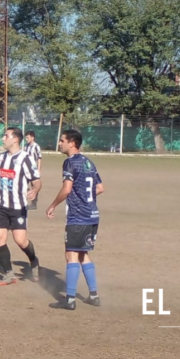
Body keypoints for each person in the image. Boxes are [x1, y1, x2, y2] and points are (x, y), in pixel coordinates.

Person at [46, 129, 104, 310]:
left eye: (62, 140)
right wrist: (85, 198)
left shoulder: (70, 162)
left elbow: (67, 189)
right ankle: (93, 295)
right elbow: (100, 188)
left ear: (72, 143)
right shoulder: (88, 162)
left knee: (70, 254)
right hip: (92, 216)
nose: (59, 143)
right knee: (82, 254)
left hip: (78, 217)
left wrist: (53, 205)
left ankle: (70, 300)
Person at [0, 127, 42, 286]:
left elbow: (37, 181)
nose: (2, 138)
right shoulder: (1, 157)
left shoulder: (26, 158)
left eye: (5, 136)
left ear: (15, 139)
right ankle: (9, 275)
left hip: (18, 207)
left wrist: (35, 190)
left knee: (20, 241)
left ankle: (34, 261)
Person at [24, 131, 43, 209]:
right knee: (24, 184)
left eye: (28, 137)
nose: (26, 139)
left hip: (33, 168)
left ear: (32, 138)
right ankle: (24, 201)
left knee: (34, 186)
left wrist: (38, 169)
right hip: (26, 168)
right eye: (26, 137)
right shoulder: (26, 146)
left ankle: (34, 204)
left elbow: (39, 158)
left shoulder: (36, 146)